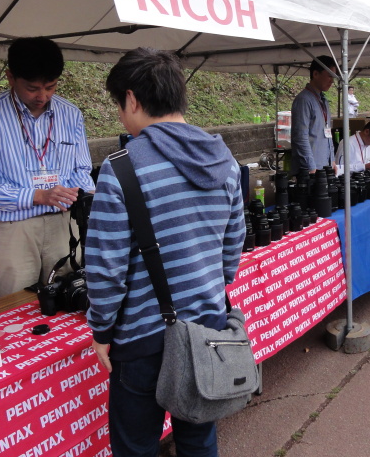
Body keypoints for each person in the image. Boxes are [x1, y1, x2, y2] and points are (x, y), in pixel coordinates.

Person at [86, 48, 245, 457]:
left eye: (119, 106)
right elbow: (232, 248)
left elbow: (106, 268)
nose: (120, 117)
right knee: (198, 439)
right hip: (207, 330)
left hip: (142, 339)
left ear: (133, 99)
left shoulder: (121, 168)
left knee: (136, 445)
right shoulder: (225, 161)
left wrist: (102, 331)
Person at [0, 37, 95, 298]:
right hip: (15, 230)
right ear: (11, 78)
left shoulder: (71, 114)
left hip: (63, 224)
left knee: (68, 295)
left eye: (51, 86)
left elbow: (83, 169)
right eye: (33, 88)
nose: (42, 96)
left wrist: (75, 191)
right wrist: (37, 195)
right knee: (14, 304)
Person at [290, 58, 338, 173]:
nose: (332, 81)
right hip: (310, 169)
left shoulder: (323, 100)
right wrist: (311, 167)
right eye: (329, 76)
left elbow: (328, 133)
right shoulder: (304, 100)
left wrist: (332, 160)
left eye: (333, 77)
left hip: (324, 165)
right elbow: (300, 137)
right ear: (315, 74)